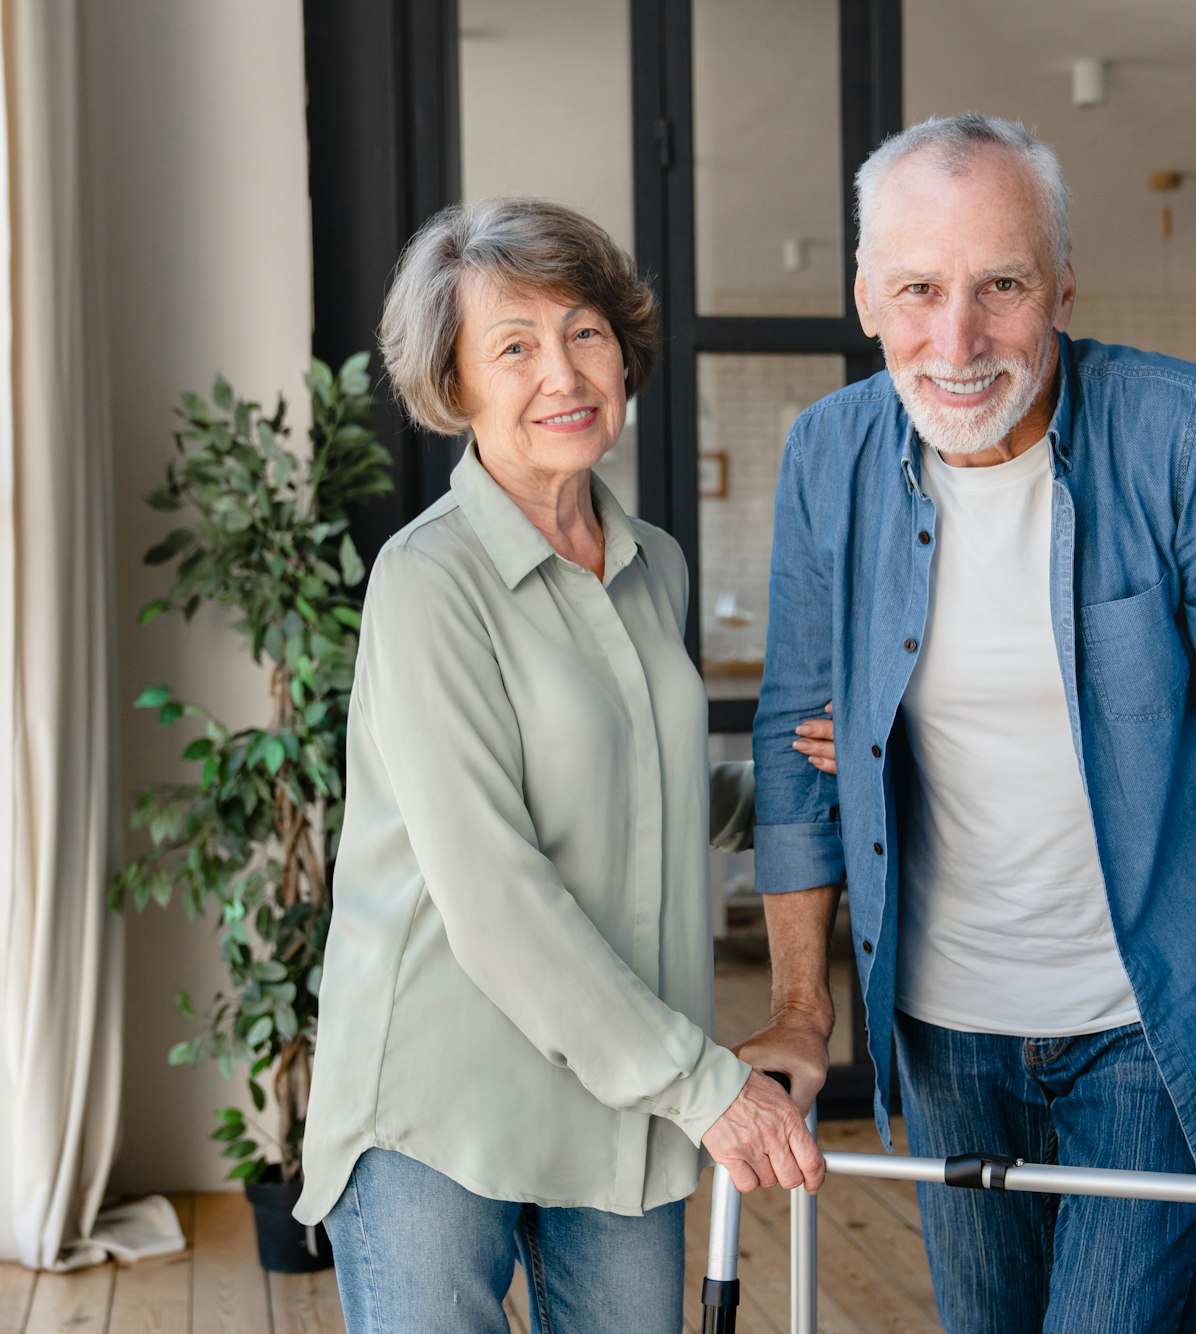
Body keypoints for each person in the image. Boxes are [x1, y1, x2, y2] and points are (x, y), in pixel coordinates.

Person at [737, 114, 1196, 1332]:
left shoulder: (1184, 431)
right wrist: (799, 1010)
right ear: (864, 297)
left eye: (1000, 285)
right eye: (917, 290)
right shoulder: (825, 454)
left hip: (1145, 1015)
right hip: (939, 1024)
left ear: (1061, 284)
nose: (957, 338)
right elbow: (799, 749)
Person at [294, 197, 826, 1334]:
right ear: (456, 383)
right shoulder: (427, 581)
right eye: (514, 345)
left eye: (584, 330)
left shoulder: (654, 565)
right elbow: (493, 888)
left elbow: (643, 789)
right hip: (439, 1107)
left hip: (614, 1109)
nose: (562, 372)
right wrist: (705, 1086)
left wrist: (802, 777)